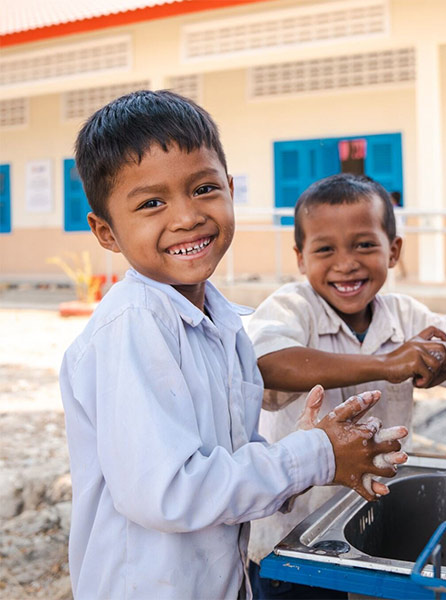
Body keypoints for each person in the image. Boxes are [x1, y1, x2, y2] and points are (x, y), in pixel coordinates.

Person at [58, 91, 407, 600]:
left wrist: (300, 452)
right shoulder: (133, 326)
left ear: (230, 188)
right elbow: (169, 491)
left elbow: (225, 461)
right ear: (106, 231)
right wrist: (309, 456)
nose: (186, 217)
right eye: (152, 203)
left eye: (203, 188)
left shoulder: (221, 322)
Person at [246, 173, 446, 598]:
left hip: (368, 524)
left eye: (364, 245)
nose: (346, 262)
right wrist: (388, 363)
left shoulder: (404, 315)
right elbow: (268, 364)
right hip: (291, 539)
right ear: (300, 258)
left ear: (394, 250)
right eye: (325, 249)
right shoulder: (293, 306)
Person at [389, 190, 407, 280]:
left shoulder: (395, 210)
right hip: (400, 234)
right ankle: (403, 273)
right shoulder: (399, 209)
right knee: (398, 257)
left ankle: (403, 274)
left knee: (397, 256)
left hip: (398, 234)